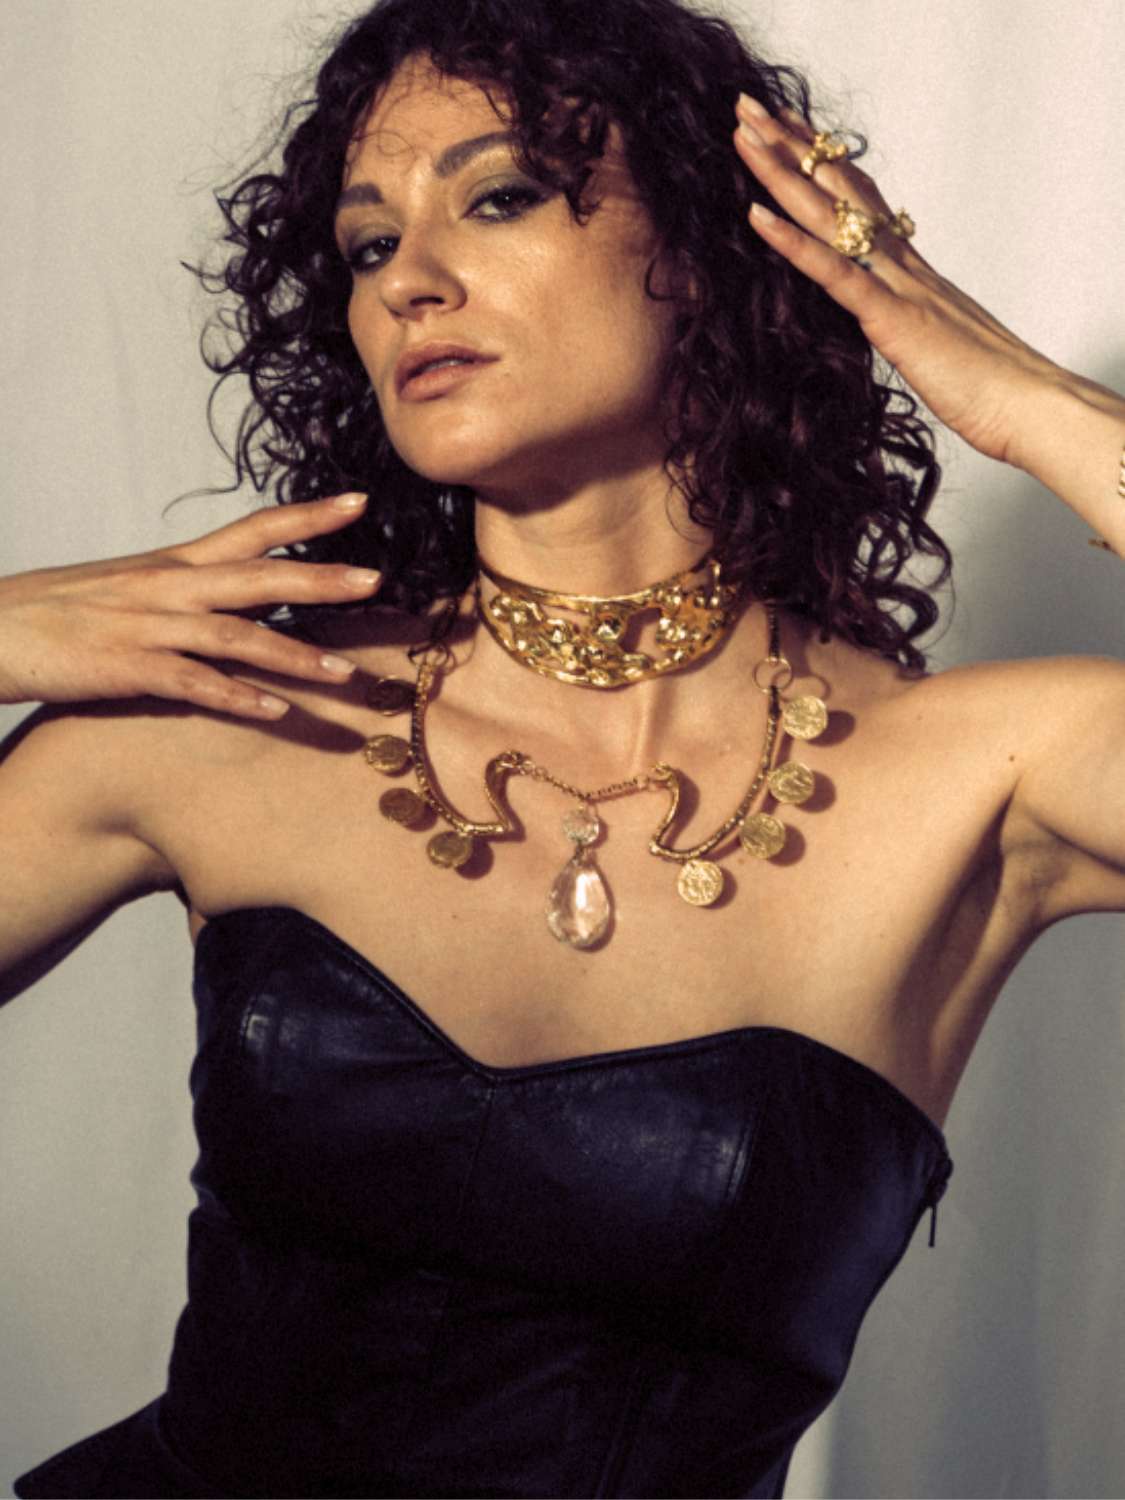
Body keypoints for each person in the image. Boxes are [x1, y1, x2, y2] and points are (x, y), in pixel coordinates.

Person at [3, 0, 1123, 1493]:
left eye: (500, 196)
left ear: (710, 250)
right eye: (368, 244)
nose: (411, 279)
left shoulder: (984, 780)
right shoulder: (235, 709)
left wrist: (1028, 402)